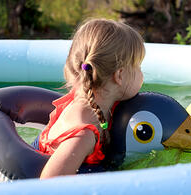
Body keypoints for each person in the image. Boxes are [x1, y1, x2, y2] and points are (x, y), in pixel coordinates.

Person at [38, 18, 145, 179]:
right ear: (119, 76)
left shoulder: (87, 97)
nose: (141, 73)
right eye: (138, 66)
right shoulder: (84, 136)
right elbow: (49, 182)